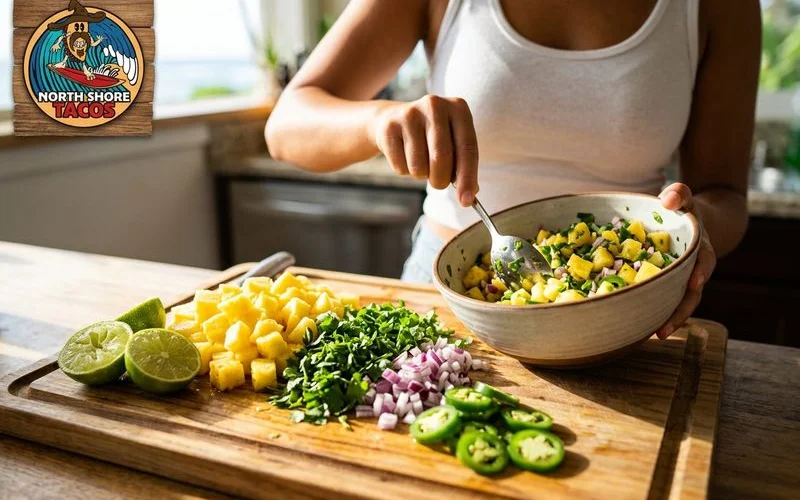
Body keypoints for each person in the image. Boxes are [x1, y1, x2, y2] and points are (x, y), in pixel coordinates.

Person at [265, 0, 760, 340]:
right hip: (445, 300)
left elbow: (725, 197)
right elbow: (287, 125)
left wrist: (689, 229)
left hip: (633, 309)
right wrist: (378, 120)